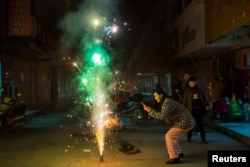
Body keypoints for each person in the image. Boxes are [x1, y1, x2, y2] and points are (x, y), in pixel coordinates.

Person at [142, 88, 195, 164]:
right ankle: (179, 153)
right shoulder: (166, 101)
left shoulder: (167, 102)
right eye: (154, 96)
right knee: (173, 137)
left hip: (185, 122)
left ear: (161, 95)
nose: (155, 98)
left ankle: (174, 157)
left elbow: (162, 116)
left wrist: (150, 111)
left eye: (156, 96)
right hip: (185, 121)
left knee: (169, 136)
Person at [182, 76, 209, 144]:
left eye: (192, 82)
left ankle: (203, 138)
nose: (191, 84)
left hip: (199, 109)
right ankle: (189, 137)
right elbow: (184, 101)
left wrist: (206, 105)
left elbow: (203, 98)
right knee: (190, 124)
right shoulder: (187, 91)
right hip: (190, 110)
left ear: (195, 82)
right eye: (189, 82)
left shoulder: (199, 90)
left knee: (200, 124)